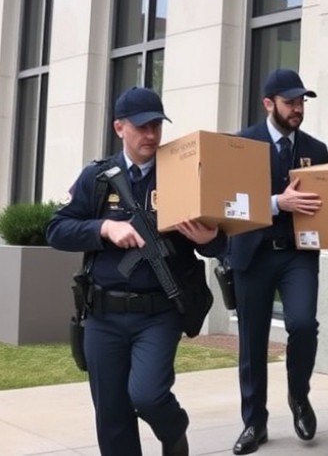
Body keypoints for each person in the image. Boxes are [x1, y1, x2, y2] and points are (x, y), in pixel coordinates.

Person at [46, 86, 227, 456]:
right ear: (119, 128)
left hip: (158, 313)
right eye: (142, 126)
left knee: (148, 396)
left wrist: (209, 237)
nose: (151, 135)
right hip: (104, 314)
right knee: (112, 416)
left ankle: (175, 430)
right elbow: (57, 229)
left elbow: (222, 244)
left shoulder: (180, 173)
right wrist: (103, 228)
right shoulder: (96, 178)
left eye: (157, 125)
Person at [228, 68, 328, 454]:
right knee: (252, 342)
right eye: (291, 102)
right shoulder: (241, 144)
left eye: (302, 101)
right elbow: (229, 206)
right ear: (268, 103)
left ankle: (299, 396)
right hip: (252, 255)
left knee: (303, 325)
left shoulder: (316, 150)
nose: (298, 109)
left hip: (297, 255)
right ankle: (254, 423)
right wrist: (277, 203)